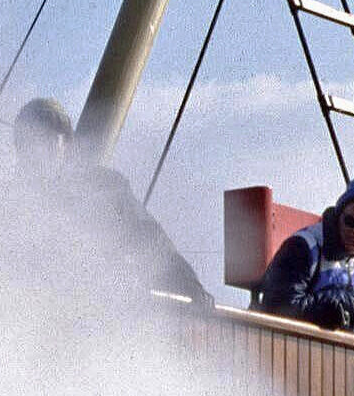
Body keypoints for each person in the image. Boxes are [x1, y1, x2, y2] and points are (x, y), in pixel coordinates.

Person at [12, 96, 211, 303]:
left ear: (66, 144)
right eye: (30, 142)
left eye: (48, 139)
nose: (38, 150)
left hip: (98, 312)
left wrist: (191, 288)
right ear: (20, 149)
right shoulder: (5, 203)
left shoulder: (104, 190)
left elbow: (152, 245)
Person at [257, 175, 354, 331]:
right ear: (340, 214)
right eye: (352, 221)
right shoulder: (303, 247)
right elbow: (277, 307)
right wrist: (333, 305)